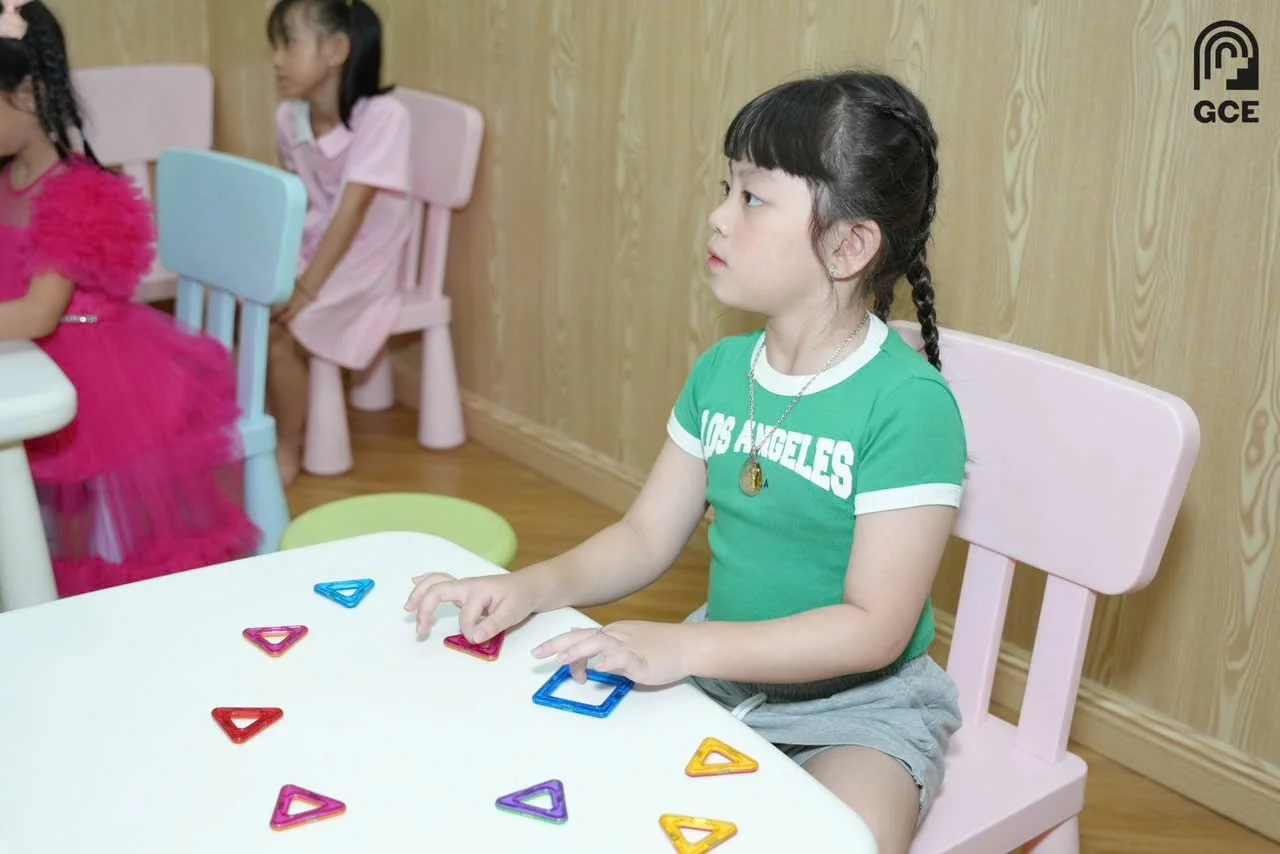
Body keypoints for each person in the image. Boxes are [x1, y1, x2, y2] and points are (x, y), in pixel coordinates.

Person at [404, 69, 966, 854]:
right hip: (723, 671)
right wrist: (523, 586)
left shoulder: (908, 406)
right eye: (725, 189)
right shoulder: (720, 373)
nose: (718, 216)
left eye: (752, 198)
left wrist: (687, 647)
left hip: (864, 709)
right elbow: (643, 538)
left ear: (846, 244)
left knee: (843, 841)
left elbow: (874, 629)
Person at [0, 0, 259, 597]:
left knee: (62, 475)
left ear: (31, 93)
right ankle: (38, 571)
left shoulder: (75, 192)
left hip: (99, 370)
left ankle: (94, 591)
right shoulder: (9, 178)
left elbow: (40, 313)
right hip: (39, 357)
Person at [266, 0, 413, 485]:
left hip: (367, 257)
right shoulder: (289, 119)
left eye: (289, 43)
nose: (277, 59)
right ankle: (266, 426)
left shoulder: (384, 116)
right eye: (276, 45)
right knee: (253, 305)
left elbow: (352, 213)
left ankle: (288, 445)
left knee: (284, 334)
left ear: (336, 50)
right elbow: (300, 202)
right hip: (318, 246)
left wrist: (306, 288)